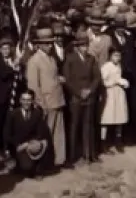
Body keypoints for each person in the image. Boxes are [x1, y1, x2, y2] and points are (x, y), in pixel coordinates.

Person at [25, 27, 66, 167]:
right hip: (46, 102)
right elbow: (33, 86)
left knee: (58, 133)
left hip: (57, 99)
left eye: (51, 43)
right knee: (45, 134)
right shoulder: (34, 61)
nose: (50, 45)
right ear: (40, 44)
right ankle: (45, 162)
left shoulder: (52, 58)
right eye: (47, 43)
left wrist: (59, 79)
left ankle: (58, 160)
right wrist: (40, 103)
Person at [62, 33, 101, 165]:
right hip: (75, 97)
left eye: (86, 45)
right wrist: (78, 92)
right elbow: (67, 79)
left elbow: (97, 77)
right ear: (77, 47)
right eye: (82, 46)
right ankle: (71, 157)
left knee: (88, 126)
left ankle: (89, 154)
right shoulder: (70, 59)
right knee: (74, 126)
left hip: (89, 96)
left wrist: (90, 90)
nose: (85, 48)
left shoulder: (91, 59)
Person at [4, 90, 52, 179]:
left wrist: (30, 143)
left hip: (31, 144)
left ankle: (36, 170)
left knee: (44, 144)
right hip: (18, 146)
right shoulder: (13, 114)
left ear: (33, 101)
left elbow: (41, 132)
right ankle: (18, 165)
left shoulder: (37, 113)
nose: (26, 102)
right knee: (26, 166)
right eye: (24, 100)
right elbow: (7, 135)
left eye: (29, 100)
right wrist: (17, 145)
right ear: (20, 100)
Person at [99, 48, 129, 153]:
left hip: (118, 93)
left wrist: (123, 82)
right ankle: (103, 143)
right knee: (106, 119)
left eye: (119, 56)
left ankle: (118, 141)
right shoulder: (106, 67)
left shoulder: (119, 66)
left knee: (119, 118)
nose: (117, 58)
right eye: (115, 55)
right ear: (110, 56)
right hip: (110, 93)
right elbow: (103, 81)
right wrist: (114, 82)